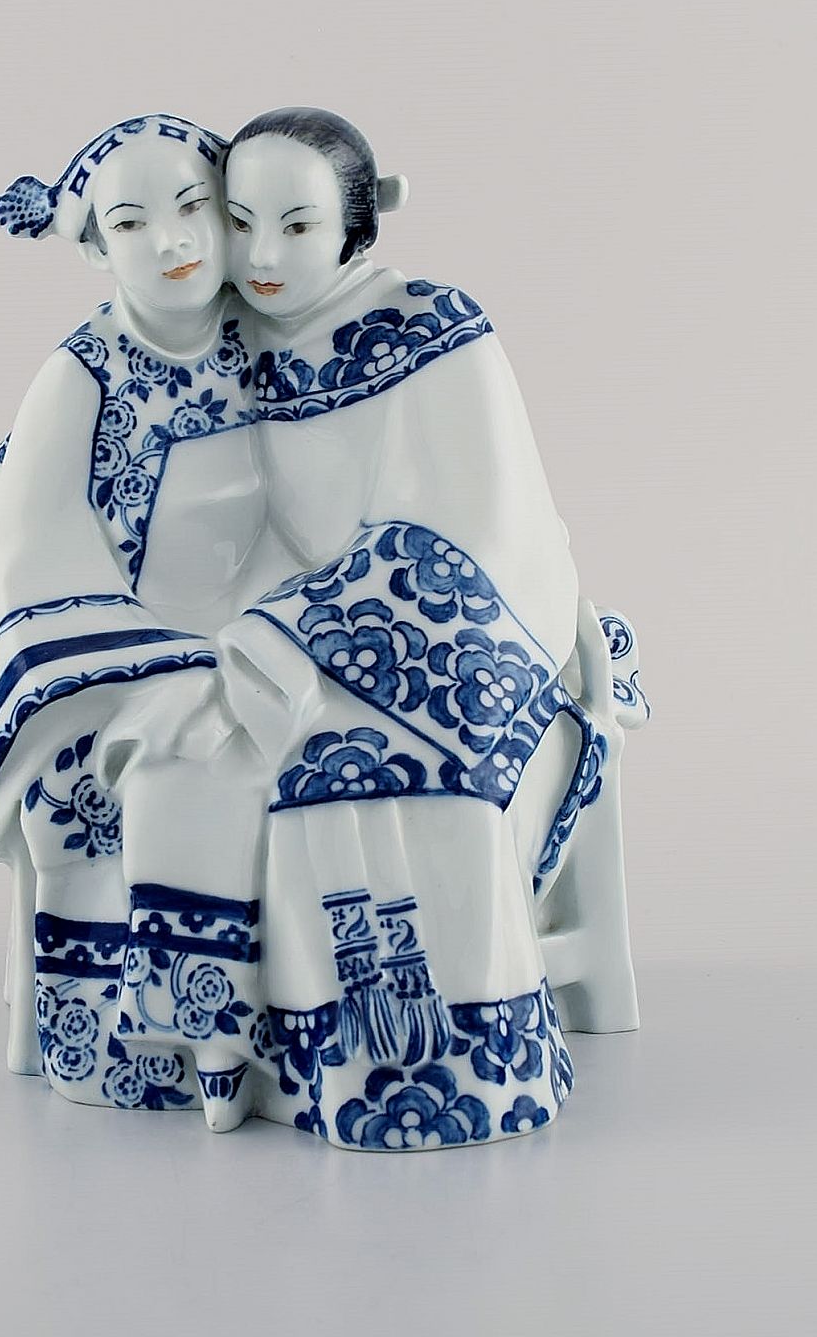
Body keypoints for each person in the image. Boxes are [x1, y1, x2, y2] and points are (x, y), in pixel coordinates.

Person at [109, 109, 600, 1147]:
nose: (263, 257)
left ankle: (434, 1070)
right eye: (240, 223)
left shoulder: (433, 326)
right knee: (177, 756)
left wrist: (283, 646)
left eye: (297, 226)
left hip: (455, 633)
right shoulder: (228, 345)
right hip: (291, 633)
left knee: (350, 777)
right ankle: (220, 1047)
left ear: (360, 224)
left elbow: (473, 526)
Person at [0, 114, 274, 1109]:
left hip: (262, 637)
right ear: (95, 247)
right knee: (142, 767)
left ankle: (296, 1033)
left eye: (191, 207)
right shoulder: (78, 379)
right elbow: (33, 560)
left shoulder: (275, 339)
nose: (172, 242)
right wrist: (161, 664)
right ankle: (119, 1039)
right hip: (105, 658)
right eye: (131, 223)